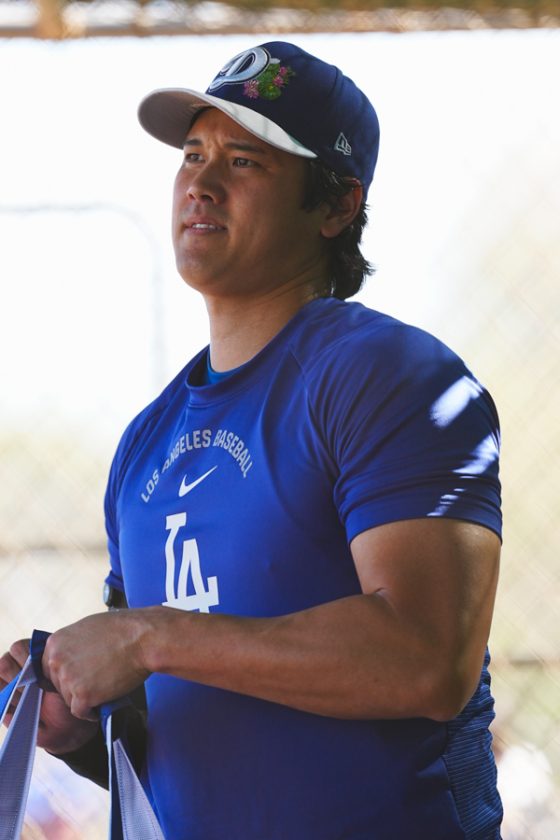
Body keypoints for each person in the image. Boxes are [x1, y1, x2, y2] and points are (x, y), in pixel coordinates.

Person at [0, 41, 503, 839]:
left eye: (244, 161)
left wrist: (150, 635)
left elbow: (428, 659)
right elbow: (174, 728)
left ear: (336, 206)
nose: (201, 182)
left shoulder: (387, 373)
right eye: (193, 154)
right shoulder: (146, 442)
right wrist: (81, 731)